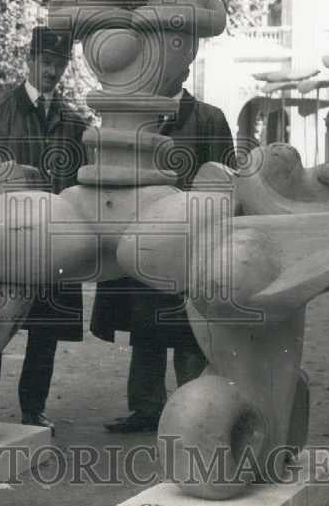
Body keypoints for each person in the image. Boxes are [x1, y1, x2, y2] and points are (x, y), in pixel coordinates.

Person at [92, 69, 235, 433]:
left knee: (191, 334)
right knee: (146, 331)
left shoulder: (208, 118)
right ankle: (146, 409)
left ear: (184, 68)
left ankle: (195, 414)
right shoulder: (137, 117)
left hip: (192, 245)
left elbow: (225, 184)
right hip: (144, 243)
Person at [0, 26, 87, 434]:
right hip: (3, 237)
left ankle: (33, 409)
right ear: (30, 60)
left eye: (60, 64)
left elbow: (77, 183)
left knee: (45, 331)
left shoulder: (73, 122)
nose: (52, 71)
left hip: (52, 240)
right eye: (46, 62)